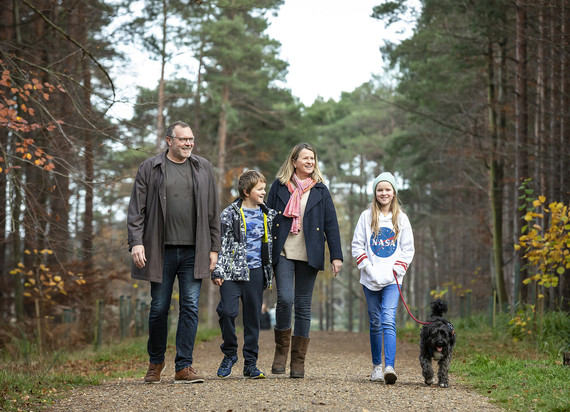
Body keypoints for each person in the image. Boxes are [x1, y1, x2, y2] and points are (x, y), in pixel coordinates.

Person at [127, 120, 221, 384]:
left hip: (195, 249)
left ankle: (184, 367)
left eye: (191, 139)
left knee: (190, 307)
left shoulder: (203, 167)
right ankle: (155, 363)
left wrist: (215, 247)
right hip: (160, 250)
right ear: (169, 141)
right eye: (183, 139)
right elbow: (137, 210)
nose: (189, 143)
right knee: (158, 307)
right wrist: (136, 242)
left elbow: (213, 211)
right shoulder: (150, 167)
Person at [266, 142, 343, 379]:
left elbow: (331, 224)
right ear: (294, 162)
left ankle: (298, 362)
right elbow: (267, 218)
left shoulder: (321, 190)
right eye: (305, 158)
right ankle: (281, 352)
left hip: (310, 253)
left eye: (312, 159)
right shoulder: (279, 187)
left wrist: (337, 256)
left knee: (303, 306)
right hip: (283, 252)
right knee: (285, 299)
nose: (310, 162)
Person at [211, 170, 276, 379]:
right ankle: (230, 353)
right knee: (227, 312)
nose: (264, 192)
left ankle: (250, 364)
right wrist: (218, 270)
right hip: (231, 272)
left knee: (252, 319)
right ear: (247, 191)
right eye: (260, 189)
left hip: (256, 273)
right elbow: (220, 244)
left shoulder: (268, 214)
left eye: (264, 188)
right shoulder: (229, 214)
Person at [351, 172, 415, 384]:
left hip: (392, 280)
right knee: (376, 321)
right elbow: (357, 246)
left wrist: (397, 269)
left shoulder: (401, 219)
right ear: (375, 193)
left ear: (394, 192)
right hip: (370, 279)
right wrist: (368, 268)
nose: (384, 193)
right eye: (380, 190)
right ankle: (376, 367)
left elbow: (408, 249)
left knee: (388, 319)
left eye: (388, 189)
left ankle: (390, 366)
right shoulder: (366, 216)